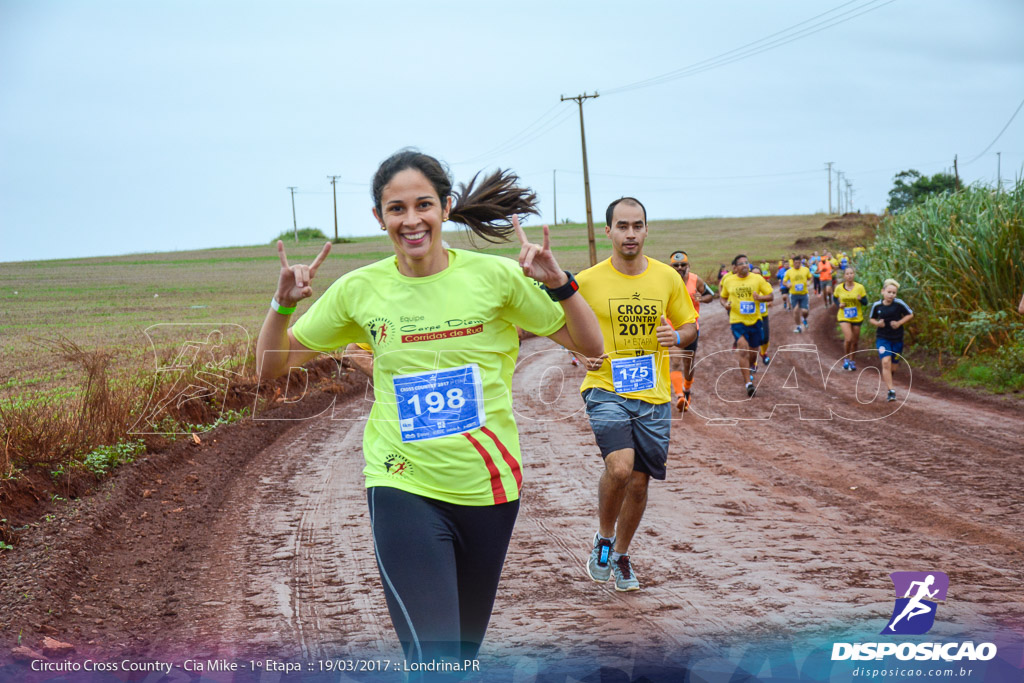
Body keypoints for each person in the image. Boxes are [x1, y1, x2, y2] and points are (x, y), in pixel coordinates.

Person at [255, 149, 602, 668]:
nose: (411, 220)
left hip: (489, 485)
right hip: (402, 482)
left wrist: (559, 283)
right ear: (379, 218)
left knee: (459, 655)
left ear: (444, 207)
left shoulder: (496, 277)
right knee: (433, 656)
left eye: (423, 205)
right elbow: (270, 368)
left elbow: (589, 345)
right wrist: (282, 305)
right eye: (396, 209)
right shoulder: (359, 290)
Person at [577, 198, 697, 592]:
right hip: (605, 386)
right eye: (622, 226)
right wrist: (577, 351)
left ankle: (622, 555)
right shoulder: (589, 280)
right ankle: (604, 539)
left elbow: (689, 326)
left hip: (653, 392)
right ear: (608, 231)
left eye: (637, 226)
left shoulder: (666, 278)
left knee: (641, 483)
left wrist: (677, 336)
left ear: (647, 230)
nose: (630, 233)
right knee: (620, 469)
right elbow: (563, 325)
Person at [719, 255, 773, 397]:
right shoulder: (729, 280)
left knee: (753, 352)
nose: (744, 265)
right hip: (737, 321)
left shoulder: (757, 279)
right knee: (743, 349)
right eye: (741, 264)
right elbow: (723, 296)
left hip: (755, 320)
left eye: (746, 262)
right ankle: (748, 383)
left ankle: (750, 366)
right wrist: (725, 305)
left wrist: (760, 298)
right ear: (735, 268)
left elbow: (771, 295)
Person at [668, 250, 713, 412]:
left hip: (692, 328)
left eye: (682, 265)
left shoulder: (695, 280)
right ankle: (679, 396)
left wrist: (701, 298)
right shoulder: (666, 281)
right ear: (670, 267)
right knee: (676, 361)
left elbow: (710, 295)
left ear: (688, 265)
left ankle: (687, 390)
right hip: (673, 329)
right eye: (676, 265)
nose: (679, 268)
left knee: (688, 364)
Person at [868, 279, 914, 402]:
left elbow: (910, 314)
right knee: (885, 361)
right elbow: (871, 319)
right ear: (883, 291)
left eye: (894, 293)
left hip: (897, 339)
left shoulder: (899, 304)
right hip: (882, 338)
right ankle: (891, 391)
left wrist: (899, 323)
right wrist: (878, 323)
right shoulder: (877, 306)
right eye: (889, 292)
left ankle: (889, 379)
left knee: (893, 367)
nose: (891, 295)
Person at [834, 266, 868, 371]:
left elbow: (865, 302)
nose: (849, 275)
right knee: (848, 338)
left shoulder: (860, 287)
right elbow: (835, 298)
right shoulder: (839, 288)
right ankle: (846, 359)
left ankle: (852, 361)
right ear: (844, 276)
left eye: (851, 273)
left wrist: (860, 299)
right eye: (847, 274)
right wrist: (838, 304)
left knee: (855, 341)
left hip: (857, 317)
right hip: (844, 316)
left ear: (854, 275)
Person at [783, 255, 813, 333]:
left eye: (799, 263)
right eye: (796, 263)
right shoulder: (789, 271)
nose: (797, 264)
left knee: (805, 311)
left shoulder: (805, 270)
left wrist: (809, 282)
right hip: (793, 294)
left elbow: (811, 277)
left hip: (804, 294)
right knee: (796, 310)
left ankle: (804, 319)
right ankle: (798, 326)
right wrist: (787, 285)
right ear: (793, 263)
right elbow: (784, 281)